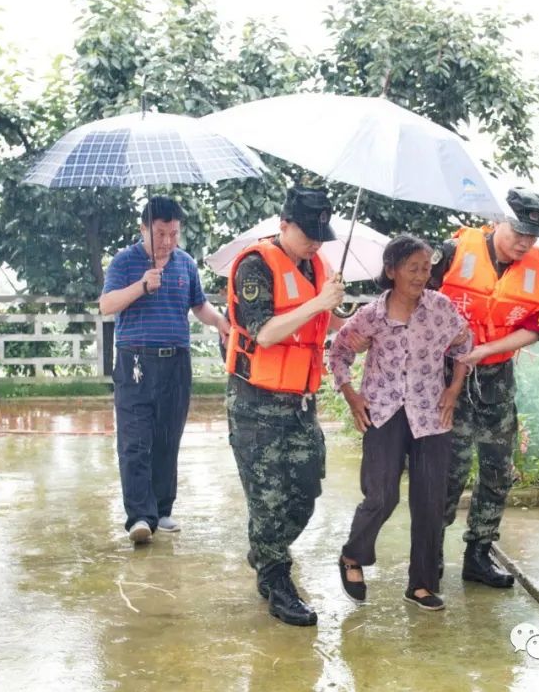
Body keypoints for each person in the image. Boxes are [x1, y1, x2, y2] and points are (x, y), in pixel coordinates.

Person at [328, 235, 471, 612]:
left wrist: (454, 389)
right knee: (381, 495)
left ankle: (422, 584)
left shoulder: (439, 309)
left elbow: (463, 346)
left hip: (430, 415)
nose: (421, 276)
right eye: (413, 268)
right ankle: (352, 556)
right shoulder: (372, 316)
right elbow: (339, 352)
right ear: (391, 271)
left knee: (430, 501)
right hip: (384, 411)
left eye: (426, 268)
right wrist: (351, 395)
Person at [225, 185, 345, 627]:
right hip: (256, 402)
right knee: (268, 500)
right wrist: (318, 302)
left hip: (300, 402)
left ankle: (264, 551)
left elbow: (325, 321)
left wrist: (340, 310)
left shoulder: (317, 266)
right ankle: (277, 582)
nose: (315, 242)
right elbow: (265, 332)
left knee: (305, 492)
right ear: (284, 225)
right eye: (308, 233)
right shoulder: (256, 265)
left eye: (320, 234)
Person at [429, 188, 539, 589]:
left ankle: (478, 554)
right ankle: (429, 551)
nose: (524, 242)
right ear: (497, 220)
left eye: (532, 235)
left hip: (496, 378)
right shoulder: (451, 252)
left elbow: (534, 329)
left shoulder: (535, 264)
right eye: (518, 231)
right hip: (447, 378)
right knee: (451, 469)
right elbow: (415, 308)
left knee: (498, 471)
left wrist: (485, 351)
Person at [100, 197, 230, 545]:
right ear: (143, 229)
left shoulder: (185, 263)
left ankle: (162, 508)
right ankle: (140, 517)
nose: (168, 241)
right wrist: (142, 285)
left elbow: (198, 304)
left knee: (167, 439)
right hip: (135, 362)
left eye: (174, 233)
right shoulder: (125, 262)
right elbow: (106, 305)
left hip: (176, 362)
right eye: (160, 233)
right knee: (134, 441)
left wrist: (219, 322)